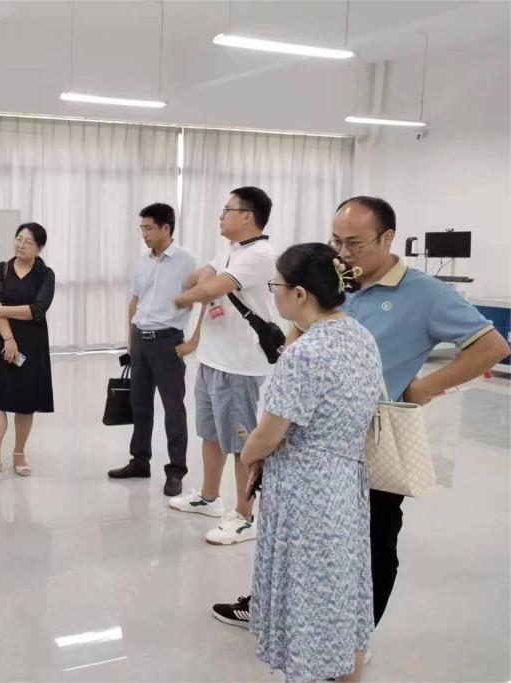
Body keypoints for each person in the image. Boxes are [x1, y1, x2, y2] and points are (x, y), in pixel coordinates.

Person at [213, 196, 510, 631]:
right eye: (337, 241)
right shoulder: (335, 280)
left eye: (354, 243)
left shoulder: (424, 294)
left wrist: (424, 387)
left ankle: (355, 636)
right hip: (307, 439)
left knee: (372, 539)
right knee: (299, 536)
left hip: (370, 439)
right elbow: (301, 328)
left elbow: (492, 346)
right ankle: (273, 608)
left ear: (387, 238)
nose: (343, 252)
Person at [243, 243, 381, 683]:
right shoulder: (360, 336)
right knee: (342, 590)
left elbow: (269, 434)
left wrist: (248, 455)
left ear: (300, 294)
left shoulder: (305, 354)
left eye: (277, 285)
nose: (275, 294)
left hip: (305, 490)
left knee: (304, 593)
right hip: (345, 481)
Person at [168, 187, 278, 545]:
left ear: (247, 216)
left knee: (243, 445)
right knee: (211, 434)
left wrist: (185, 297)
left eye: (227, 209)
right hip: (212, 358)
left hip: (239, 365)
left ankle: (245, 516)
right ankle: (209, 498)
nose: (221, 215)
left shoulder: (260, 255)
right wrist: (202, 286)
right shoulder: (233, 249)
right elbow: (199, 278)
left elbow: (207, 287)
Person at [107, 203, 197, 497]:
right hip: (140, 340)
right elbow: (135, 301)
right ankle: (139, 461)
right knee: (140, 405)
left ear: (166, 229)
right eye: (142, 228)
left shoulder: (186, 261)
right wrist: (130, 340)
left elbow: (206, 299)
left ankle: (176, 470)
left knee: (173, 409)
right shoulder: (142, 261)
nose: (144, 234)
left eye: (149, 228)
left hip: (168, 342)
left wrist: (193, 342)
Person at [0, 223, 55, 484]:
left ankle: (19, 453)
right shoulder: (1, 269)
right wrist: (8, 339)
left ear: (39, 248)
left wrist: (3, 310)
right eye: (18, 239)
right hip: (2, 340)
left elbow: (38, 309)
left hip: (32, 342)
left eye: (28, 242)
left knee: (25, 403)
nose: (21, 245)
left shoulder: (45, 274)